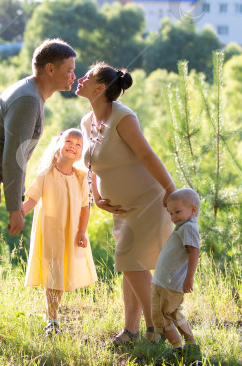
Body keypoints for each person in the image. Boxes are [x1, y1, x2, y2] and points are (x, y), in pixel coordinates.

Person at [0, 38, 77, 347]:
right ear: (50, 69)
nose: (74, 76)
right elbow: (13, 157)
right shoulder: (28, 100)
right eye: (69, 70)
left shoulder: (32, 94)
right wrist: (15, 206)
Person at [75, 62, 175, 347]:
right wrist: (97, 197)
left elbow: (146, 154)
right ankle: (131, 330)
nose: (80, 79)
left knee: (130, 262)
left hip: (148, 201)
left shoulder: (123, 117)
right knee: (134, 265)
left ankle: (156, 327)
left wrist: (171, 189)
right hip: (121, 207)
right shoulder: (87, 121)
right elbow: (92, 166)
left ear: (100, 88)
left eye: (88, 76)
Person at [22, 128, 98, 336]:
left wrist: (82, 232)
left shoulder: (82, 177)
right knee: (54, 275)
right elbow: (32, 200)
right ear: (59, 144)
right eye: (69, 141)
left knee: (62, 275)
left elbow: (85, 207)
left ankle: (51, 314)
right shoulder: (46, 174)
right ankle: (52, 318)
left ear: (82, 152)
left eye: (78, 144)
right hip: (51, 232)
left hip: (71, 232)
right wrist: (18, 215)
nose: (73, 146)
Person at [147, 188, 202, 364]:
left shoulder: (189, 228)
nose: (174, 217)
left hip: (169, 283)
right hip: (164, 282)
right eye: (171, 213)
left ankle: (178, 349)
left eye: (177, 211)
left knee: (162, 315)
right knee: (173, 313)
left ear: (193, 210)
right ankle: (191, 346)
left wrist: (189, 278)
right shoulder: (184, 227)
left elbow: (194, 252)